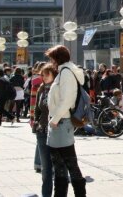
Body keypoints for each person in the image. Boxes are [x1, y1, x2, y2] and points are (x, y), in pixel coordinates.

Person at [45, 45, 87, 197]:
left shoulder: (66, 73)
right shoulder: (65, 71)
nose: (51, 61)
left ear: (57, 58)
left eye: (52, 58)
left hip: (61, 122)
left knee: (70, 165)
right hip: (59, 122)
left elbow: (66, 100)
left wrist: (54, 119)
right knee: (60, 167)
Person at [32, 63, 57, 197]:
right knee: (46, 168)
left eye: (46, 74)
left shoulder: (58, 88)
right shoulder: (42, 88)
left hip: (56, 131)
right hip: (42, 131)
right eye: (42, 74)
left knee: (59, 167)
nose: (43, 77)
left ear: (53, 74)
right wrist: (36, 122)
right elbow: (37, 108)